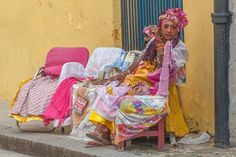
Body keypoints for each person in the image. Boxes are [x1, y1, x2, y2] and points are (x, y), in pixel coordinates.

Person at [86, 8, 189, 147]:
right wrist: (124, 73)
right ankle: (103, 130)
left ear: (178, 30)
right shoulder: (153, 41)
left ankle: (104, 132)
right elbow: (141, 59)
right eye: (166, 26)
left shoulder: (179, 48)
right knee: (110, 89)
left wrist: (159, 43)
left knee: (119, 92)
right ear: (160, 27)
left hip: (156, 83)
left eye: (173, 27)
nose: (169, 30)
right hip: (139, 77)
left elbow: (165, 65)